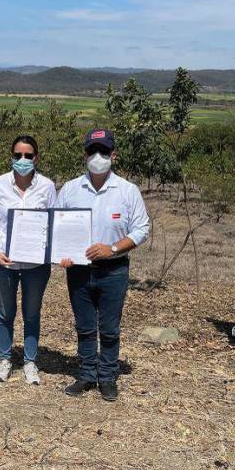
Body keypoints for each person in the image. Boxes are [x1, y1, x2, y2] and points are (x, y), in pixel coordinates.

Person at [57, 128, 150, 402]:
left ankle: (107, 377)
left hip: (113, 271)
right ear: (85, 156)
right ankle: (86, 375)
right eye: (93, 151)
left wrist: (111, 249)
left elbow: (142, 228)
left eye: (104, 151)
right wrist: (61, 254)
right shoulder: (70, 189)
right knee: (84, 326)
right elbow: (57, 227)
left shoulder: (128, 191)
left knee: (109, 328)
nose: (98, 157)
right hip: (79, 270)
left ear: (114, 155)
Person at [0, 135, 57, 385]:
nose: (22, 160)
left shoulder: (47, 187)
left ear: (36, 157)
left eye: (28, 155)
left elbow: (53, 224)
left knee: (32, 313)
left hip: (36, 265)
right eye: (17, 155)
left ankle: (30, 362)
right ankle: (5, 359)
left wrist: (53, 252)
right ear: (11, 157)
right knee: (5, 312)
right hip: (4, 262)